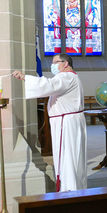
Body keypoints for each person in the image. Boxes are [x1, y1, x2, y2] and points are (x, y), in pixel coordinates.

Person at [12, 53, 87, 192]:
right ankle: (73, 189)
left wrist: (24, 77)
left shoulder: (66, 77)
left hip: (67, 124)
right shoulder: (70, 77)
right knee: (70, 158)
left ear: (65, 64)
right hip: (68, 122)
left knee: (68, 159)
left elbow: (48, 85)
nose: (52, 65)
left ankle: (70, 191)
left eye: (55, 62)